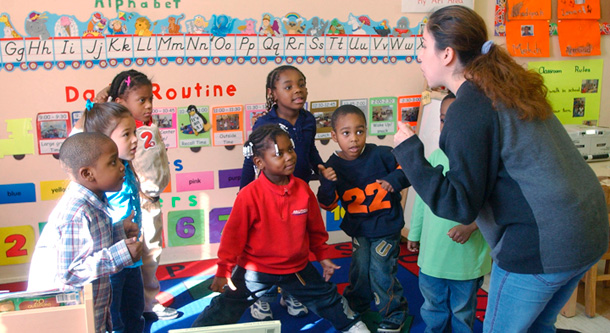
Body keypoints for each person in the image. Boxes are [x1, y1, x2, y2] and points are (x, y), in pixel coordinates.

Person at [392, 5, 609, 332]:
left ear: (447, 53)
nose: (419, 56)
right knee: (537, 327)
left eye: (423, 46)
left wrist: (409, 152)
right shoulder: (501, 88)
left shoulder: (468, 109)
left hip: (543, 245)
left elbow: (459, 206)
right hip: (589, 230)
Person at [191, 124, 370, 333]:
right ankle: (198, 330)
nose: (289, 157)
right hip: (255, 270)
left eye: (290, 149)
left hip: (297, 268)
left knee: (327, 298)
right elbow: (233, 238)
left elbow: (316, 230)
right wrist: (224, 270)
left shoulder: (303, 190)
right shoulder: (249, 195)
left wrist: (323, 256)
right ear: (259, 162)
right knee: (227, 304)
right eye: (279, 153)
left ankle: (352, 325)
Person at [27, 132, 142, 333]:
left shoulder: (93, 200)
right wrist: (119, 254)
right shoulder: (76, 213)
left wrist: (118, 232)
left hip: (90, 311)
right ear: (88, 174)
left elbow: (90, 245)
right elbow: (69, 273)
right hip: (68, 319)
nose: (122, 167)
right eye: (113, 162)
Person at [240, 65, 323, 320]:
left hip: (299, 196)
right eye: (288, 87)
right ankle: (261, 297)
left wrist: (322, 170)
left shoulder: (309, 120)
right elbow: (249, 161)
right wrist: (243, 193)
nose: (297, 90)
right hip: (271, 198)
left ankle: (292, 293)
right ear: (272, 93)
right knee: (269, 249)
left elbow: (309, 153)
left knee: (296, 246)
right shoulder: (264, 124)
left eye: (301, 84)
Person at [317, 105, 410, 333]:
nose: (354, 139)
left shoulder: (380, 154)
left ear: (366, 131)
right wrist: (327, 183)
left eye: (360, 131)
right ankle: (355, 306)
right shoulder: (333, 166)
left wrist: (394, 180)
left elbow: (409, 167)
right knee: (359, 269)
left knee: (380, 271)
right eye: (346, 133)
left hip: (386, 226)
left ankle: (393, 314)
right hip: (360, 229)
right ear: (334, 135)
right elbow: (327, 204)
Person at [407, 93, 491, 333]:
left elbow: (494, 204)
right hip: (432, 258)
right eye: (443, 119)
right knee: (433, 308)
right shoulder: (435, 157)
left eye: (455, 119)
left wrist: (472, 225)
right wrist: (415, 233)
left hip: (467, 260)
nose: (447, 126)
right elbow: (424, 201)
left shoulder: (483, 161)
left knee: (463, 311)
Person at [104, 69, 175, 320]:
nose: (148, 105)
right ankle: (126, 306)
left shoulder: (148, 128)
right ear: (121, 103)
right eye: (141, 100)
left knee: (152, 253)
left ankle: (147, 301)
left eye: (150, 99)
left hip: (152, 202)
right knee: (135, 256)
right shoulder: (117, 134)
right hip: (136, 206)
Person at [83, 102, 145, 332]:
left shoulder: (126, 167)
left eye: (134, 132)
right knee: (114, 320)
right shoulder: (99, 181)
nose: (135, 139)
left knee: (134, 314)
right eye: (126, 134)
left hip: (131, 258)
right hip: (111, 263)